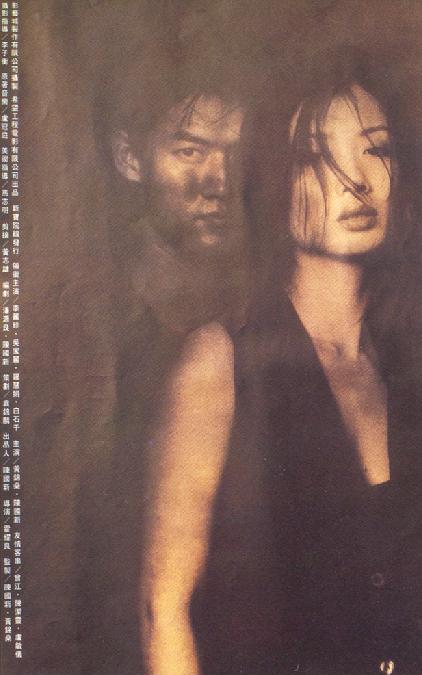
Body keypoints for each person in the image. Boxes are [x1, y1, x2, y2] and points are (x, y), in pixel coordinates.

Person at [140, 54, 422, 675]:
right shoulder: (221, 361)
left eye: (376, 149)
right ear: (274, 179)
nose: (355, 180)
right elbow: (163, 609)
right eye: (316, 157)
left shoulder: (408, 368)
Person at [76, 47, 248, 675]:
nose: (218, 180)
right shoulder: (93, 324)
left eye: (232, 152)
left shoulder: (252, 305)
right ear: (130, 158)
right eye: (190, 151)